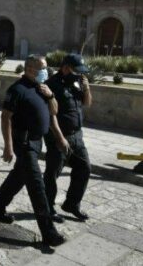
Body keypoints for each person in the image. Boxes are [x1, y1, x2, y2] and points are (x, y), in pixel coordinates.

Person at [0, 55, 66, 248]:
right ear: (30, 69)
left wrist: (50, 96)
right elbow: (5, 117)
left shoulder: (42, 88)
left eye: (46, 67)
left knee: (19, 175)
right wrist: (8, 146)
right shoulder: (17, 90)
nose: (46, 71)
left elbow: (54, 112)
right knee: (37, 186)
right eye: (42, 68)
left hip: (37, 142)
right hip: (23, 144)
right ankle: (49, 233)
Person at [44, 53, 92, 222]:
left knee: (84, 168)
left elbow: (87, 103)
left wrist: (86, 88)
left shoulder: (77, 83)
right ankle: (47, 208)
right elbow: (50, 115)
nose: (80, 74)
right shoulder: (51, 85)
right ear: (65, 68)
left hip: (77, 136)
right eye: (76, 71)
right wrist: (59, 138)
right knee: (53, 173)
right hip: (58, 137)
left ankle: (72, 204)